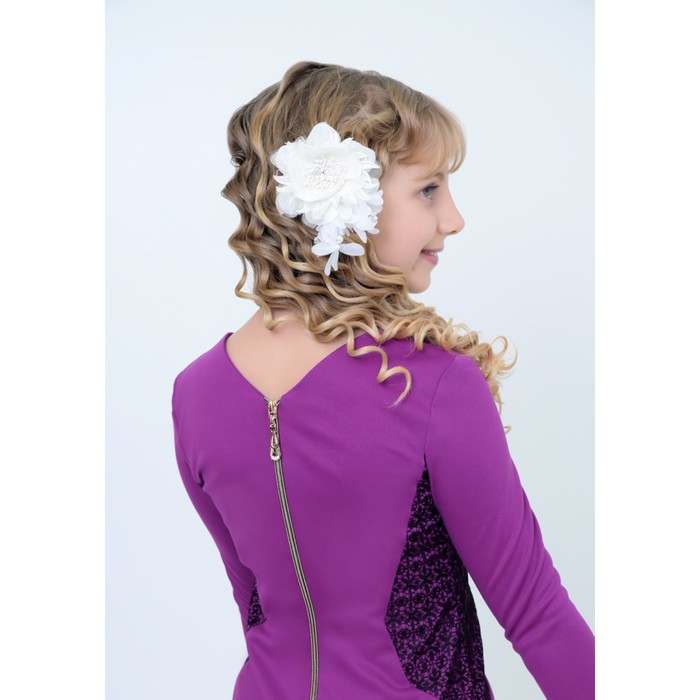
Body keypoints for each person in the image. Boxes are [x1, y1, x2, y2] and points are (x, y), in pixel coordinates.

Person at [171, 60, 594, 700]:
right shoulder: (429, 383)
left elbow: (255, 610)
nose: (453, 218)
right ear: (351, 205)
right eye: (429, 189)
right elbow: (536, 614)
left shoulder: (196, 392)